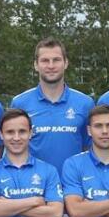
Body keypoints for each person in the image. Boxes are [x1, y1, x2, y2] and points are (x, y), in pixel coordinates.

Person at [10, 39, 93, 172]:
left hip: (73, 182)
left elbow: (90, 149)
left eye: (56, 60)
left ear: (66, 63)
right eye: (45, 60)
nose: (51, 65)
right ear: (36, 65)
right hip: (33, 182)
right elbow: (12, 149)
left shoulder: (85, 103)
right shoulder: (20, 103)